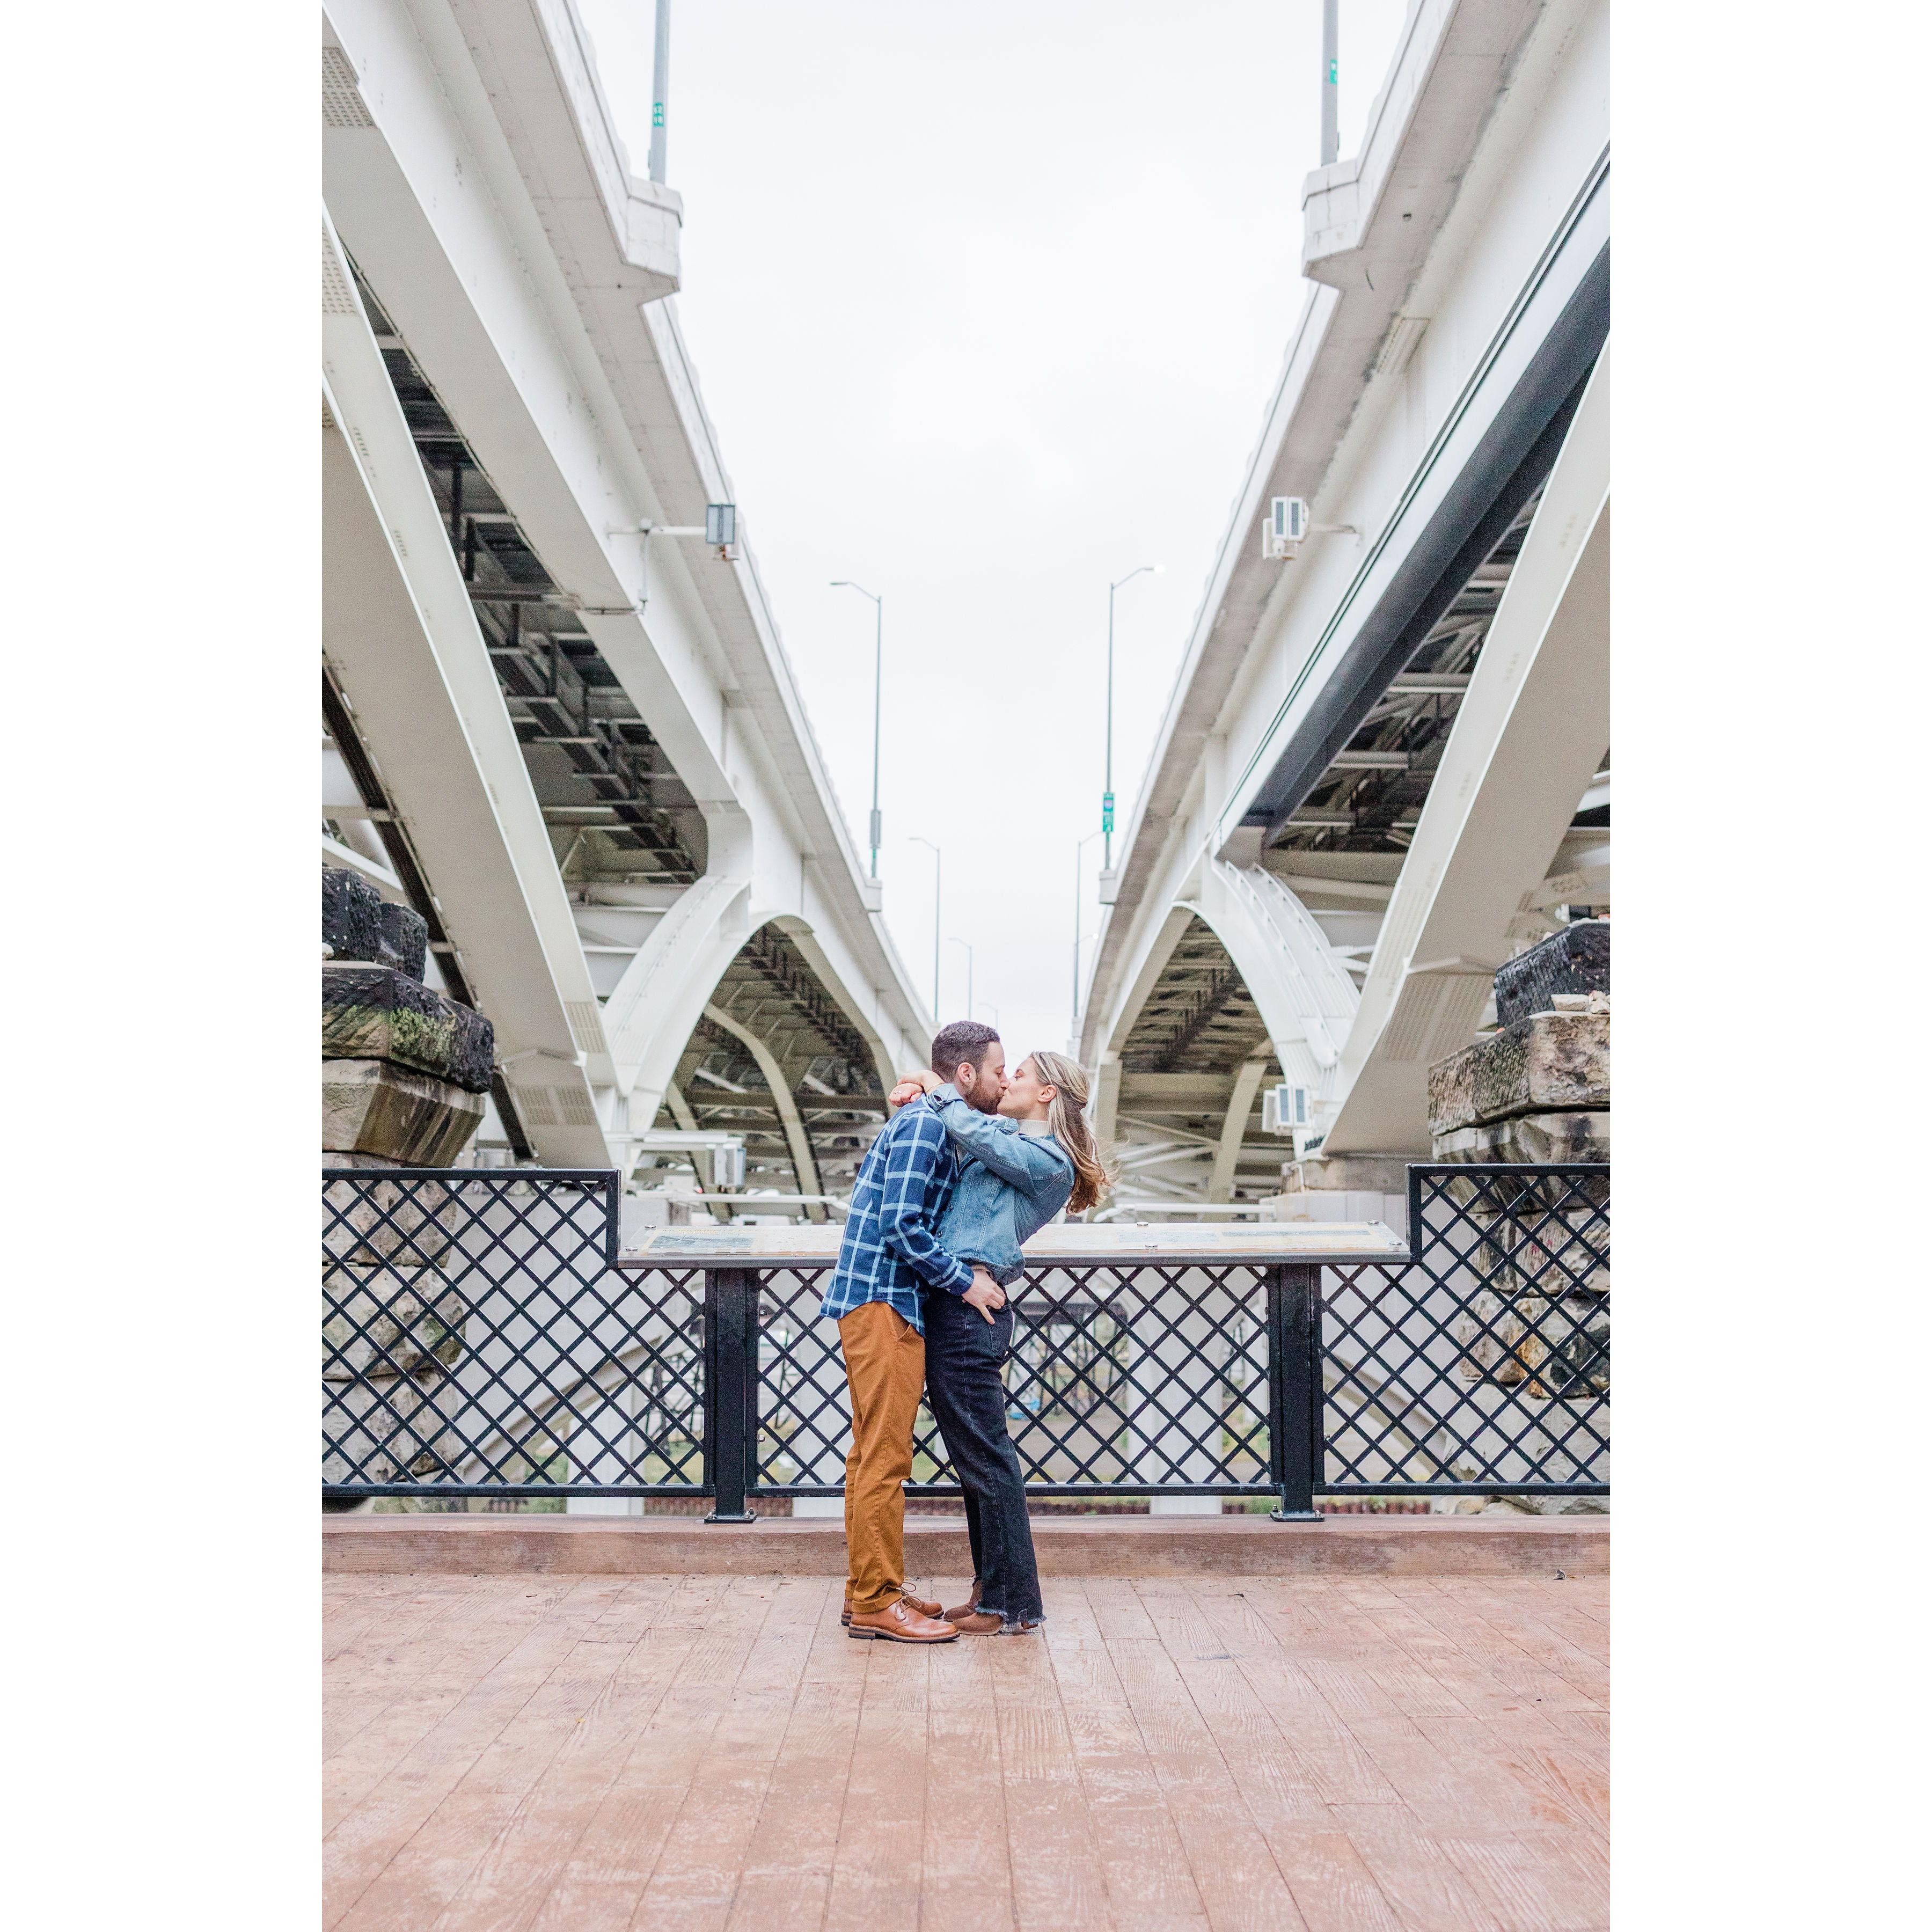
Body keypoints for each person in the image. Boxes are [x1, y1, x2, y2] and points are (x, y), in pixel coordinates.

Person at [888, 1047, 1111, 1634]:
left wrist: (935, 1092)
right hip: (956, 1301)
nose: (1008, 1079)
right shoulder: (1007, 1138)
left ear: (1046, 1094)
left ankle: (1012, 1604)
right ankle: (992, 1591)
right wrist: (917, 1084)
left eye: (1021, 1075)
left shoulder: (1048, 1159)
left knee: (988, 1461)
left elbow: (963, 1122)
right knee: (976, 1462)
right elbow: (955, 1109)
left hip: (971, 1313)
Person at [817, 1019, 1011, 1643]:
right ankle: (877, 1602)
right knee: (885, 1458)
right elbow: (902, 1224)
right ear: (966, 1074)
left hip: (882, 1299)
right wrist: (966, 1282)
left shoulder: (930, 1115)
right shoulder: (929, 1123)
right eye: (999, 1070)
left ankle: (869, 1592)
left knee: (869, 1454)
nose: (1005, 1080)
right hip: (884, 1300)